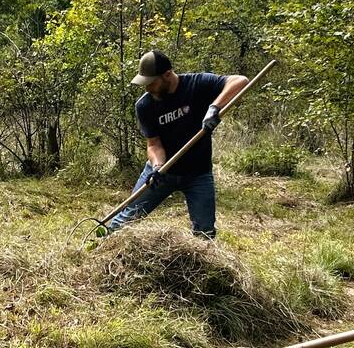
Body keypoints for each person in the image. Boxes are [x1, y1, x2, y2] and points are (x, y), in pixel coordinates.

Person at [104, 49, 248, 239]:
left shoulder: (198, 84)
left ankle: (201, 265)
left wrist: (215, 108)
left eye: (151, 83)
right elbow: (154, 144)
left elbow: (241, 81)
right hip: (162, 173)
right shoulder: (144, 106)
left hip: (198, 173)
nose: (147, 89)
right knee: (128, 217)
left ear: (167, 74)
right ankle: (103, 245)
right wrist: (157, 166)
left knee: (204, 232)